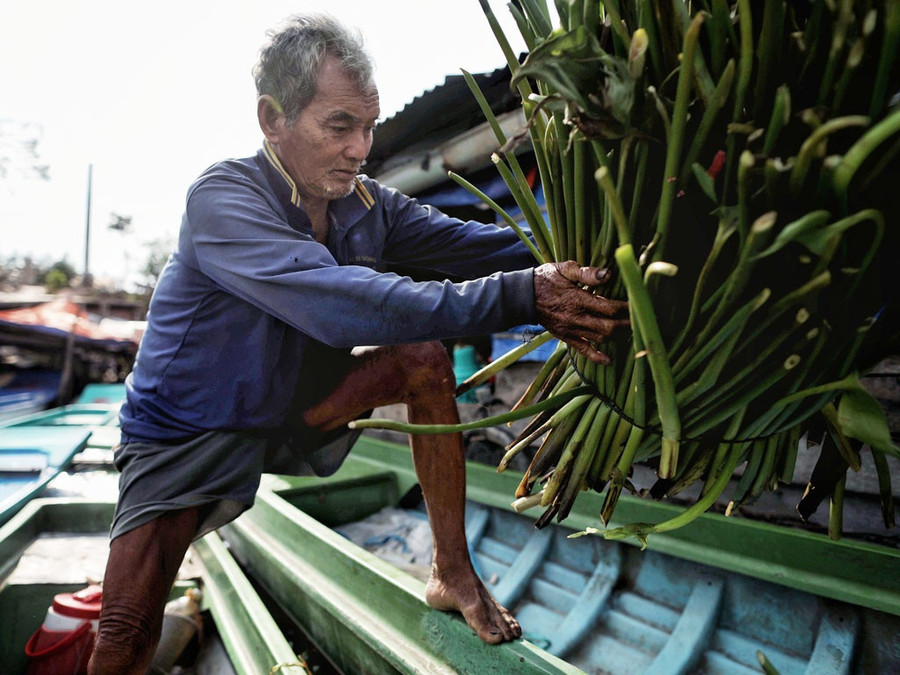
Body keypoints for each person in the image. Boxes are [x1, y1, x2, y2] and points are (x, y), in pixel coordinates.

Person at [88, 13, 628, 674]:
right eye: (339, 126)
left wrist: (602, 242)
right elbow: (339, 306)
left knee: (423, 358)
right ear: (272, 118)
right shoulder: (223, 200)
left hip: (288, 409)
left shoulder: (366, 203)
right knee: (124, 630)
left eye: (367, 127)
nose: (359, 148)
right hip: (184, 432)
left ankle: (450, 569)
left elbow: (480, 246)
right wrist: (523, 296)